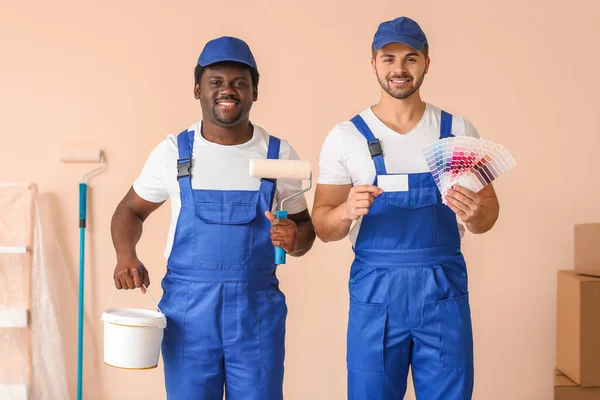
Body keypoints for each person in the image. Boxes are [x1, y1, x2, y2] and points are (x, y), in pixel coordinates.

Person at [110, 36, 315, 400]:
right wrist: (126, 255)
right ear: (197, 89)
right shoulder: (174, 153)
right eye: (216, 82)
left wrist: (293, 238)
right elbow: (129, 209)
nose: (228, 90)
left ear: (254, 91)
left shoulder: (278, 154)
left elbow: (305, 231)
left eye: (239, 83)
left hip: (256, 312)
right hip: (188, 314)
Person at [312, 17, 499, 400]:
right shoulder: (346, 137)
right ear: (374, 64)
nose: (399, 68)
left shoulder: (458, 130)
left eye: (411, 58)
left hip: (442, 287)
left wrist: (474, 212)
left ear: (427, 63)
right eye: (389, 58)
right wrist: (346, 210)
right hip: (376, 292)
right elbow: (322, 225)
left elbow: (490, 213)